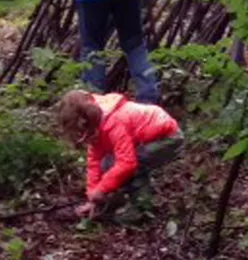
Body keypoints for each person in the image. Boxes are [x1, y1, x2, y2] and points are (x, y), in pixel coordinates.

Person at [58, 90, 183, 223]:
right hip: (145, 138)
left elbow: (127, 163)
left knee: (133, 166)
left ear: (83, 121)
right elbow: (95, 161)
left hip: (167, 137)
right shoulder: (95, 125)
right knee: (107, 164)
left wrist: (101, 189)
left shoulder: (114, 121)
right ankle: (116, 200)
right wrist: (92, 195)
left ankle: (140, 209)